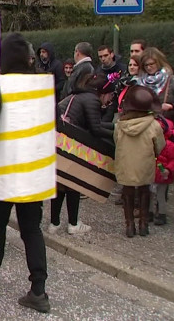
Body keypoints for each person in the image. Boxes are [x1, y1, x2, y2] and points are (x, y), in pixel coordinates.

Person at [0, 33, 55, 314]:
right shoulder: (44, 86)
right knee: (31, 230)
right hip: (35, 172)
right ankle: (38, 290)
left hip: (3, 171)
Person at [52, 74, 113, 235]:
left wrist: (113, 126)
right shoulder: (93, 100)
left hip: (58, 140)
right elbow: (96, 128)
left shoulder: (77, 94)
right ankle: (73, 224)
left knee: (60, 183)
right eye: (110, 97)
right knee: (73, 184)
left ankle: (54, 223)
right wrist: (117, 133)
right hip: (71, 144)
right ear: (104, 93)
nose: (109, 101)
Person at [114, 85, 165, 237]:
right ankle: (143, 224)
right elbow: (160, 146)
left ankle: (129, 226)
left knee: (127, 192)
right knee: (144, 191)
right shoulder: (154, 125)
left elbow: (117, 142)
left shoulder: (120, 126)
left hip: (125, 163)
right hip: (145, 163)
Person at [137, 47, 174, 124]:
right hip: (146, 126)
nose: (149, 67)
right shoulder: (140, 83)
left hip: (169, 128)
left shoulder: (172, 81)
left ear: (158, 62)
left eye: (151, 64)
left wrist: (173, 106)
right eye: (146, 65)